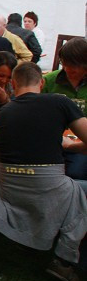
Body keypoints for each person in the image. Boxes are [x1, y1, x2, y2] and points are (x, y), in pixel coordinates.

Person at [0, 62, 87, 281]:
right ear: (42, 83)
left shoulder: (2, 114)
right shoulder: (60, 102)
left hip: (10, 191)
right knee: (79, 192)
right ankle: (64, 260)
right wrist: (70, 146)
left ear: (13, 85)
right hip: (50, 190)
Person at [42, 37, 87, 181]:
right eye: (64, 64)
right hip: (51, 141)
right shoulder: (49, 81)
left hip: (82, 144)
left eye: (73, 66)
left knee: (76, 173)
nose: (67, 69)